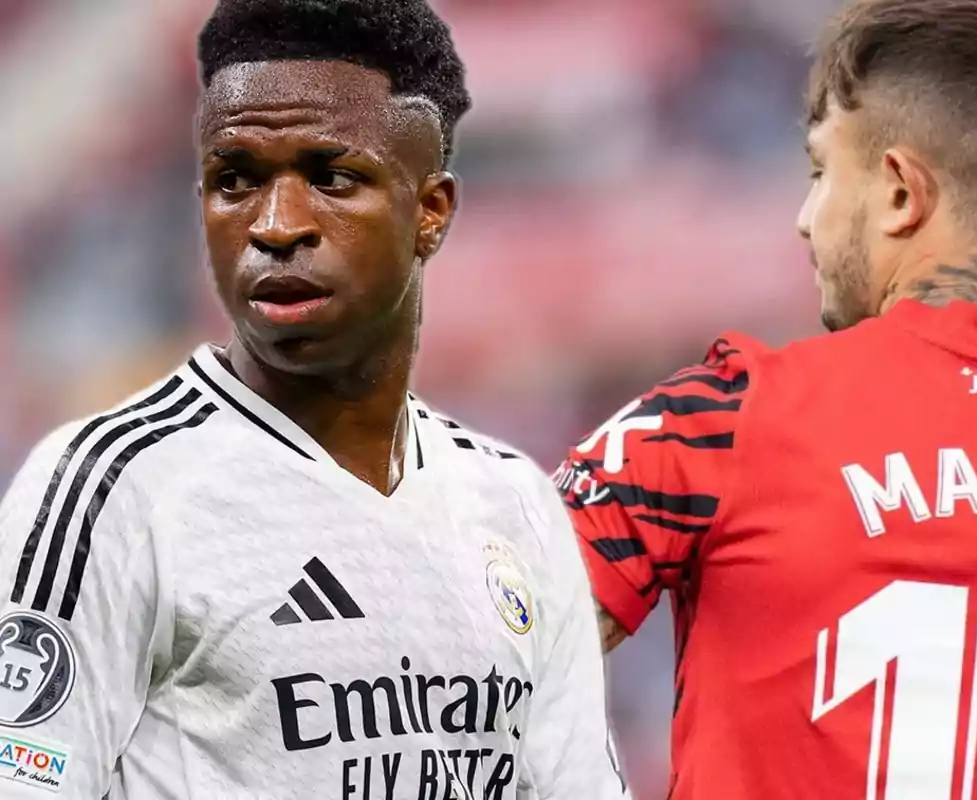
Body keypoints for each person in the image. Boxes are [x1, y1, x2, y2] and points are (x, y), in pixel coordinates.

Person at [555, 0, 977, 797]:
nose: (804, 219)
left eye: (822, 171)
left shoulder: (723, 424)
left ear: (899, 192)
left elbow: (460, 675)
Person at [0, 1, 626, 798]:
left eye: (331, 178)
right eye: (236, 180)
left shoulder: (514, 505)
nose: (277, 225)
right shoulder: (110, 488)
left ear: (429, 212)